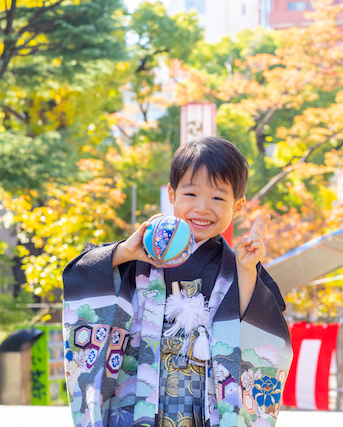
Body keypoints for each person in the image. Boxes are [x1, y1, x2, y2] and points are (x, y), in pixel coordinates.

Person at [63, 137, 293, 427]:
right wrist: (123, 252)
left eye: (218, 198)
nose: (203, 208)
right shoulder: (138, 254)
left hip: (202, 408)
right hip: (135, 404)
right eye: (191, 194)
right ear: (171, 195)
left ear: (237, 206)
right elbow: (81, 275)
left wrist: (247, 270)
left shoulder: (239, 265)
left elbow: (260, 326)